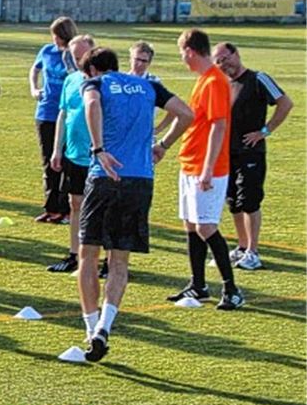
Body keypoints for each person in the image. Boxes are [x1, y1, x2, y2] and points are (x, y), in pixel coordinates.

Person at [78, 47, 192, 362]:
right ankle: (105, 326)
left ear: (92, 70)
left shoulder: (96, 84)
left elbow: (91, 104)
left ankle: (90, 328)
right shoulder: (149, 86)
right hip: (140, 179)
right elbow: (186, 114)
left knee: (88, 256)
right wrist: (163, 145)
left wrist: (98, 148)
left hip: (104, 176)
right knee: (119, 261)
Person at [166, 29, 244, 310]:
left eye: (182, 52)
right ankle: (198, 285)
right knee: (191, 223)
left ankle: (232, 289)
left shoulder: (214, 81)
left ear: (190, 51)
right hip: (190, 163)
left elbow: (218, 125)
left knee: (206, 226)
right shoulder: (203, 79)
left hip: (206, 167)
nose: (182, 58)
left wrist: (208, 168)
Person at [211, 42, 294, 271]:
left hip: (251, 153)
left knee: (249, 201)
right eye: (218, 62)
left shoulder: (258, 79)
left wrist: (264, 131)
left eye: (225, 58)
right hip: (228, 153)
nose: (223, 64)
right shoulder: (224, 84)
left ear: (236, 54)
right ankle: (242, 246)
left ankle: (253, 251)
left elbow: (285, 103)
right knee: (234, 202)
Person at [47, 34, 95, 274]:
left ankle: (105, 259)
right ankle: (74, 255)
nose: (79, 61)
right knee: (75, 203)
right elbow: (64, 114)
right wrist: (58, 149)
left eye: (82, 56)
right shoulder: (71, 80)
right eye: (75, 57)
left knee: (100, 207)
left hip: (97, 157)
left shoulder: (104, 82)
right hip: (74, 154)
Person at [30, 16, 77, 224]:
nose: (54, 39)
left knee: (68, 162)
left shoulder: (73, 55)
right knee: (49, 161)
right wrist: (34, 88)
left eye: (57, 36)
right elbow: (35, 69)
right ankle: (51, 208)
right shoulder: (47, 51)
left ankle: (66, 209)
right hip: (46, 112)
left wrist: (70, 59)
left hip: (69, 114)